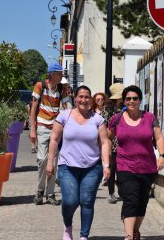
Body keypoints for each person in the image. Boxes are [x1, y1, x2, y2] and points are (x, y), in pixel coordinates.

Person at [46, 85, 110, 240]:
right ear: (75, 98)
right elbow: (54, 140)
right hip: (67, 166)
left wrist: (106, 164)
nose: (83, 99)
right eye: (80, 96)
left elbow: (105, 142)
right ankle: (68, 227)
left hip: (92, 168)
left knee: (87, 202)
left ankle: (83, 236)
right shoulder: (64, 116)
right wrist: (50, 163)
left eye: (87, 97)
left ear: (91, 99)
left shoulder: (97, 119)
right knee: (70, 201)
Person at [108, 85, 164, 240]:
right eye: (128, 98)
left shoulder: (149, 118)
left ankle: (135, 231)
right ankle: (129, 236)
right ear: (124, 101)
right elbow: (107, 138)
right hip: (125, 166)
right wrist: (106, 159)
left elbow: (159, 137)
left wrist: (162, 155)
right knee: (130, 199)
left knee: (142, 203)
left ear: (140, 100)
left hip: (147, 167)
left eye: (135, 98)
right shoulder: (117, 119)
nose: (131, 101)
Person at [30, 62, 70, 205]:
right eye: (60, 74)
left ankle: (50, 193)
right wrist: (32, 130)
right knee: (42, 159)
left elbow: (66, 108)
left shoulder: (62, 88)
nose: (62, 76)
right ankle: (40, 190)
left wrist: (68, 125)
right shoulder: (40, 86)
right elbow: (33, 109)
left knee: (53, 161)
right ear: (52, 74)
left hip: (55, 127)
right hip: (42, 125)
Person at [101, 83, 124, 204]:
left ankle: (121, 189)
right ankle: (111, 193)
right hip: (111, 142)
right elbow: (102, 126)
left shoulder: (125, 108)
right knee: (112, 168)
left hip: (124, 143)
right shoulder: (107, 109)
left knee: (122, 170)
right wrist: (105, 144)